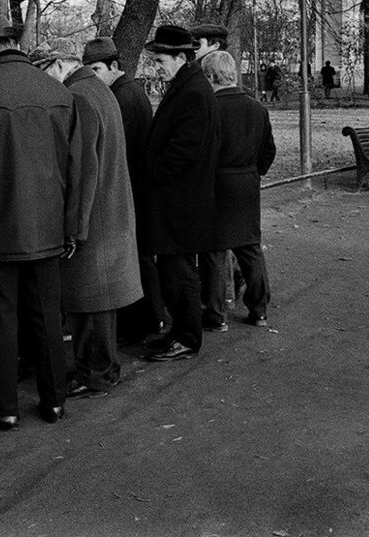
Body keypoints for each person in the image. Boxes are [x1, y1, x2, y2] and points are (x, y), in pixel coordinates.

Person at [0, 13, 84, 430]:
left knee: (1, 318)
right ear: (16, 43)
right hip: (48, 229)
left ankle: (4, 406)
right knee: (46, 315)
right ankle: (54, 401)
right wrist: (71, 227)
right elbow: (78, 167)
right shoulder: (56, 90)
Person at [33, 39, 143, 398]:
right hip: (110, 209)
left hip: (94, 215)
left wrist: (75, 229)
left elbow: (83, 168)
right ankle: (102, 368)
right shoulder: (98, 89)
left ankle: (94, 373)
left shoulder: (78, 95)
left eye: (44, 70)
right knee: (98, 299)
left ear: (58, 65)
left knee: (89, 300)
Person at [140, 25, 220, 363]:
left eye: (160, 60)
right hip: (180, 200)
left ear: (181, 57)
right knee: (174, 273)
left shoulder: (192, 92)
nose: (156, 66)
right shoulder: (189, 86)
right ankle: (179, 333)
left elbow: (183, 151)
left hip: (180, 201)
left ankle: (187, 338)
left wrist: (152, 173)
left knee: (180, 274)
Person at [82, 36, 170, 342]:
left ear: (114, 66)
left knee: (136, 259)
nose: (92, 76)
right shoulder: (126, 91)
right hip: (137, 185)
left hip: (132, 186)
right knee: (138, 257)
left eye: (95, 69)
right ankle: (151, 319)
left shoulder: (121, 97)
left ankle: (147, 320)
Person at [198, 51, 276, 331]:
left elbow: (202, 155)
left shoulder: (209, 109)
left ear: (210, 76)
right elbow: (269, 150)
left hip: (218, 184)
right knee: (250, 248)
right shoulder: (257, 107)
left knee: (215, 252)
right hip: (247, 183)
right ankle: (259, 310)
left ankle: (216, 314)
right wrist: (254, 173)